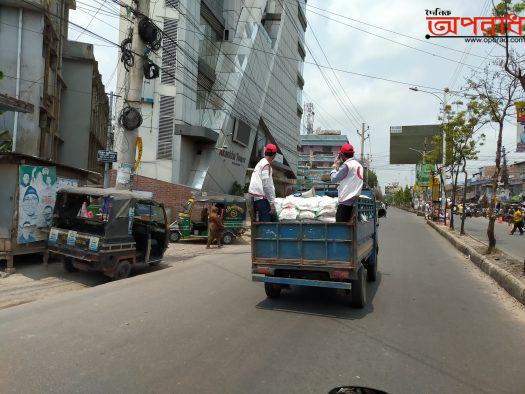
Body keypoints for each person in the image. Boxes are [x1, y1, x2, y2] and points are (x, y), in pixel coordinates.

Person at [330, 143, 363, 222]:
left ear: (341, 155)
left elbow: (334, 179)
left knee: (340, 227)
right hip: (354, 199)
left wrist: (335, 167)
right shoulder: (358, 165)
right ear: (352, 154)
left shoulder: (347, 165)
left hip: (345, 201)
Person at [248, 143, 278, 222]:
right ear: (274, 155)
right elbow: (267, 185)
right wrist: (272, 203)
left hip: (256, 197)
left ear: (265, 152)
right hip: (263, 200)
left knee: (263, 222)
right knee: (267, 223)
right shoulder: (266, 165)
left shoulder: (261, 163)